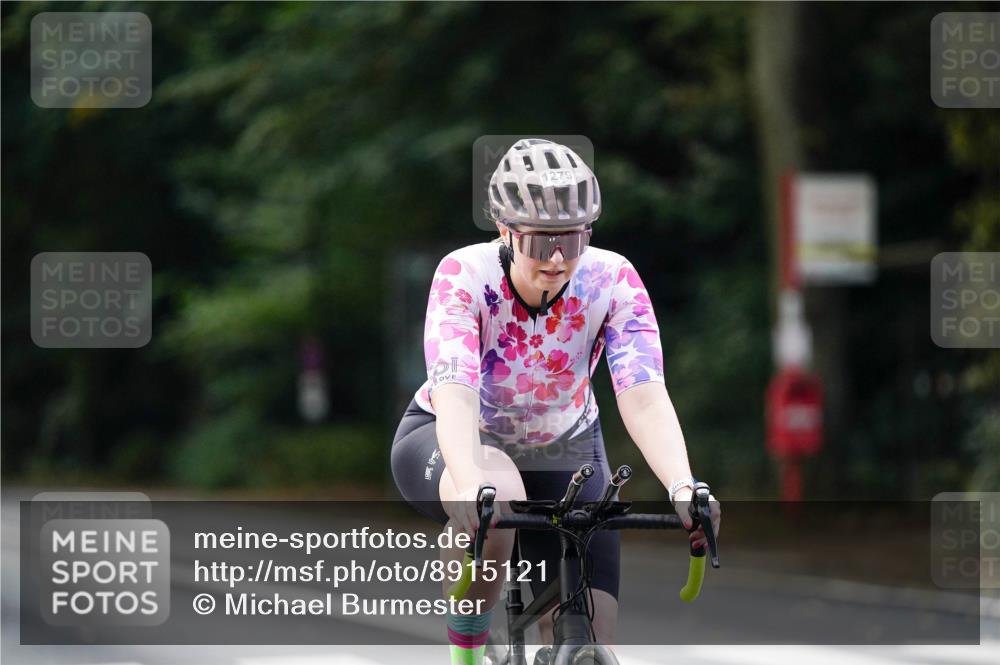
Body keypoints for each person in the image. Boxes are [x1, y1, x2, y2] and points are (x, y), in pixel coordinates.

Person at [391, 138, 721, 664]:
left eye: (572, 238)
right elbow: (455, 390)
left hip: (566, 446)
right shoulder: (465, 275)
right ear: (505, 230)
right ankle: (469, 649)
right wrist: (469, 477)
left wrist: (683, 483)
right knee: (496, 492)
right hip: (456, 434)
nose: (559, 258)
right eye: (542, 242)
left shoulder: (612, 279)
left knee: (593, 638)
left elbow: (642, 392)